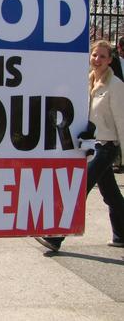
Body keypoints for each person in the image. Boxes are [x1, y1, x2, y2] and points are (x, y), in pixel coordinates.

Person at [36, 40, 124, 252]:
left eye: (103, 56)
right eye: (95, 55)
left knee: (78, 189)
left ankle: (56, 236)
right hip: (92, 145)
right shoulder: (87, 81)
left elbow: (122, 120)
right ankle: (121, 234)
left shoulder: (116, 86)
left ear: (110, 60)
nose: (97, 60)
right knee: (111, 195)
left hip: (107, 147)